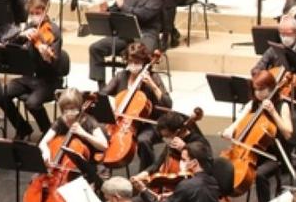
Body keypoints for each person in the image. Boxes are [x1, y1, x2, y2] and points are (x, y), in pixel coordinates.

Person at [222, 70, 293, 202]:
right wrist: (230, 130)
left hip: (275, 155)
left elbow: (288, 133)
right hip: (252, 152)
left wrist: (273, 112)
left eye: (262, 89)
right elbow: (238, 121)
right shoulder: (252, 104)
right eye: (255, 89)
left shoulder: (282, 105)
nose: (258, 93)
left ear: (271, 87)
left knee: (260, 174)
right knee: (223, 166)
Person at [0, 0, 67, 140]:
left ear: (46, 10)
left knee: (32, 103)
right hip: (30, 77)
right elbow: (7, 42)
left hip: (50, 80)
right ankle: (23, 128)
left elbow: (55, 64)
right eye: (32, 13)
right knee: (3, 95)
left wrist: (46, 55)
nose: (35, 16)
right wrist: (22, 35)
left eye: (38, 12)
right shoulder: (30, 26)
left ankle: (47, 131)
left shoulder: (54, 31)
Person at [97, 42, 170, 170]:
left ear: (144, 61)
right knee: (100, 131)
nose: (133, 64)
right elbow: (103, 95)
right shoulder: (121, 76)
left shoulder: (153, 77)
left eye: (137, 61)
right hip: (124, 122)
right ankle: (105, 166)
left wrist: (152, 85)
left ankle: (146, 172)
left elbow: (168, 104)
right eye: (131, 61)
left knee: (143, 141)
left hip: (148, 123)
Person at [87, 0, 165, 67]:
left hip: (146, 35)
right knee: (95, 48)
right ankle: (102, 83)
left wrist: (123, 6)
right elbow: (116, 10)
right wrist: (106, 10)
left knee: (139, 53)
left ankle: (139, 81)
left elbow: (144, 15)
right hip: (126, 35)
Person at [37, 88, 108, 184]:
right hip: (62, 163)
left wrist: (83, 133)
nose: (69, 112)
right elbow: (43, 142)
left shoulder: (88, 121)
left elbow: (104, 145)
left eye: (73, 108)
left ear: (79, 107)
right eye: (66, 109)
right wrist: (46, 153)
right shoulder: (61, 121)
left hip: (86, 164)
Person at [252, 15, 296, 99]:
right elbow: (256, 69)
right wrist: (268, 80)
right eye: (282, 34)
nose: (284, 37)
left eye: (288, 34)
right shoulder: (273, 50)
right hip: (271, 97)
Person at [140, 109, 209, 177]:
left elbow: (207, 166)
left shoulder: (200, 141)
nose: (165, 139)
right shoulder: (173, 142)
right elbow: (158, 163)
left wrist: (185, 148)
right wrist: (145, 173)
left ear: (177, 132)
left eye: (167, 136)